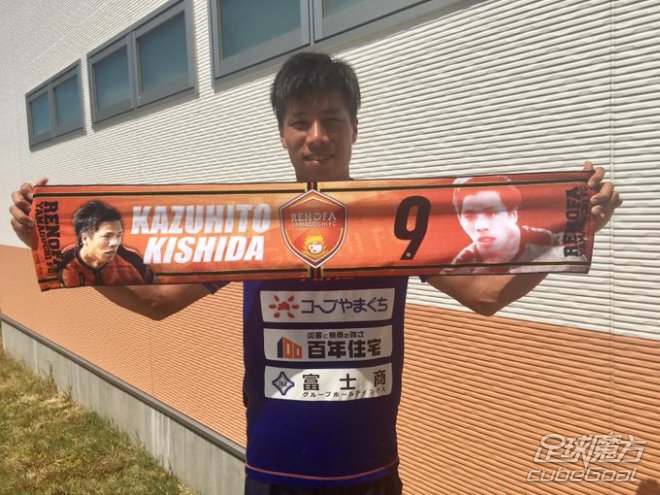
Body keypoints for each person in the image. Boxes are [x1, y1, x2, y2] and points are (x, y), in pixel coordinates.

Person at [9, 52, 622, 495]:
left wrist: (573, 230)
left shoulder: (397, 217)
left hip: (372, 471)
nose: (317, 136)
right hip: (274, 472)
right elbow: (158, 302)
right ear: (282, 133)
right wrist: (64, 251)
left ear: (355, 126)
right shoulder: (251, 222)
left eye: (332, 118)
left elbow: (486, 295)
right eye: (300, 120)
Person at [444, 176, 585, 274]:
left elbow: (577, 260)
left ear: (513, 214)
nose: (480, 226)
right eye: (469, 216)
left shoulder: (552, 244)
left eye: (492, 213)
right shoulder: (459, 267)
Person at [55, 200, 154, 287]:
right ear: (85, 238)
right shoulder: (63, 264)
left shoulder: (133, 260)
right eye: (107, 236)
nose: (115, 243)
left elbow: (156, 292)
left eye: (118, 235)